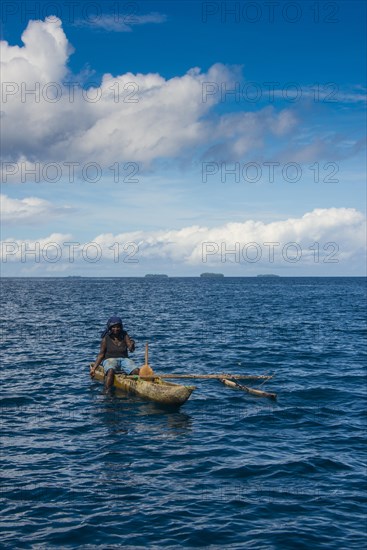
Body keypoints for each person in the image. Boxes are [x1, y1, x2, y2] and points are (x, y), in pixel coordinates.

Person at [90, 316, 140, 389]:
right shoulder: (106, 338)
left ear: (121, 327)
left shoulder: (124, 335)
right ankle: (107, 390)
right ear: (110, 328)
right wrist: (94, 369)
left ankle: (139, 386)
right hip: (110, 360)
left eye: (118, 327)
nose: (116, 329)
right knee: (110, 371)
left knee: (136, 371)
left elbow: (131, 350)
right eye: (113, 327)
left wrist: (132, 344)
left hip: (124, 360)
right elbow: (101, 355)